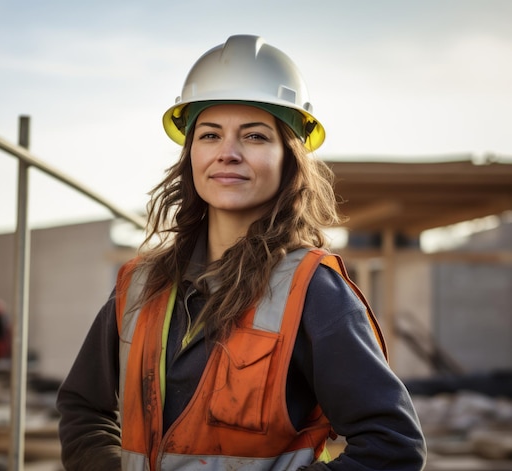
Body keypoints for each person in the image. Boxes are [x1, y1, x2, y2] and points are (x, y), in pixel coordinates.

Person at [56, 34, 426, 470]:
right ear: (191, 154)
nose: (227, 153)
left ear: (289, 159)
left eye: (254, 136)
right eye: (210, 135)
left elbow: (392, 446)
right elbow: (82, 408)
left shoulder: (313, 290)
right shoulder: (140, 283)